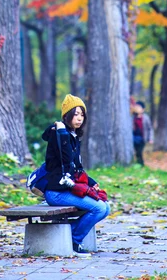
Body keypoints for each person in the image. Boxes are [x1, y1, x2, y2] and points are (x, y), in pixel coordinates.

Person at [42, 94, 110, 255]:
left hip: (68, 190)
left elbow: (77, 167)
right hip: (56, 192)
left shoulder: (72, 136)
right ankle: (74, 240)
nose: (79, 118)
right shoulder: (58, 135)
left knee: (105, 207)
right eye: (76, 114)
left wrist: (91, 182)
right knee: (99, 208)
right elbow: (65, 161)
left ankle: (66, 236)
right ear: (67, 115)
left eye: (82, 115)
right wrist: (63, 134)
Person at [132, 101, 154, 166]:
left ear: (143, 109)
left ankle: (141, 164)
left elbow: (150, 129)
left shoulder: (145, 118)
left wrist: (151, 138)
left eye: (139, 107)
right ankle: (137, 163)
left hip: (142, 137)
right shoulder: (132, 117)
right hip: (134, 137)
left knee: (139, 151)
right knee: (135, 151)